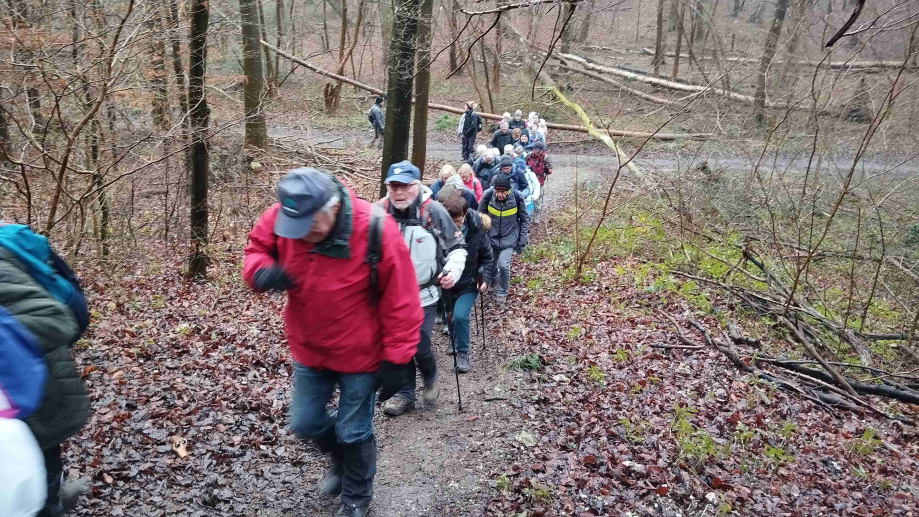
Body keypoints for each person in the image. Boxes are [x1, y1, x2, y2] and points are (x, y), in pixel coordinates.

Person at [242, 168, 423, 517]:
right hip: (310, 347)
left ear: (333, 207)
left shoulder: (376, 229)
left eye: (310, 225)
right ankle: (340, 458)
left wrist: (397, 360)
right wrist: (260, 270)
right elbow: (258, 248)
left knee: (353, 431)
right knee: (305, 423)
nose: (302, 235)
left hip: (361, 355)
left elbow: (402, 300)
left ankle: (357, 497)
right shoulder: (287, 213)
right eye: (296, 227)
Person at [0, 225, 90, 517]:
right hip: (24, 403)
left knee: (36, 477)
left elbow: (54, 318)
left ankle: (53, 500)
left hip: (38, 398)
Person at [375, 161, 467, 418]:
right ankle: (406, 395)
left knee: (418, 343)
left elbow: (458, 248)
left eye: (405, 186)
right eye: (394, 186)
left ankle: (430, 376)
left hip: (424, 294)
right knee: (399, 346)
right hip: (389, 296)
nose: (399, 192)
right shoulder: (378, 213)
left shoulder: (434, 211)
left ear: (416, 186)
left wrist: (452, 272)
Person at [439, 194, 493, 374]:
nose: (456, 224)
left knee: (460, 316)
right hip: (445, 283)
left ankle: (462, 353)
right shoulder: (438, 231)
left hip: (468, 283)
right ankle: (453, 339)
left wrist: (484, 279)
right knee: (450, 316)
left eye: (459, 220)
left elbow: (487, 257)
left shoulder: (476, 230)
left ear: (464, 214)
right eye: (452, 221)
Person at [479, 176, 529, 304]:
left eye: (503, 192)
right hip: (492, 237)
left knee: (503, 265)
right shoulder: (487, 196)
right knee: (491, 264)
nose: (500, 195)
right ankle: (494, 280)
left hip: (509, 238)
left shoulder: (517, 198)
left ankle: (502, 290)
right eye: (497, 192)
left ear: (509, 191)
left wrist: (522, 240)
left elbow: (524, 219)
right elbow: (480, 217)